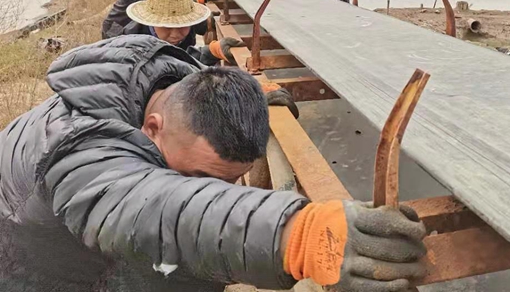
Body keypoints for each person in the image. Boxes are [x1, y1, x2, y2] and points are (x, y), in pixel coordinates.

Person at [0, 36, 426, 291]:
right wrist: (297, 236)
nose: (209, 189)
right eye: (197, 177)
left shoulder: (172, 82)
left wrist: (255, 99)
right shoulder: (79, 147)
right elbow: (148, 207)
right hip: (26, 267)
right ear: (152, 127)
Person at [122, 0, 242, 66]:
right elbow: (165, 68)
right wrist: (209, 53)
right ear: (151, 22)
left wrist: (213, 49)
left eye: (181, 26)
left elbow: (179, 56)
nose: (175, 34)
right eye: (167, 27)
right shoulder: (132, 48)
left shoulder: (187, 26)